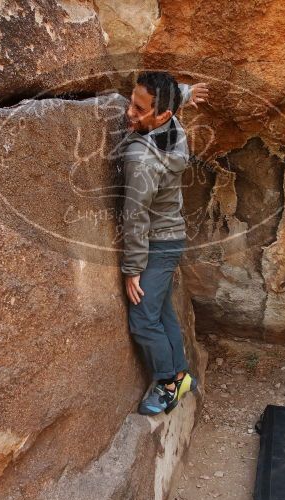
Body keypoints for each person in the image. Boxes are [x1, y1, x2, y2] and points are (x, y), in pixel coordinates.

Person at [119, 71, 209, 415]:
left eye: (139, 110)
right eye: (132, 102)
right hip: (171, 236)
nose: (130, 113)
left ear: (162, 117)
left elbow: (136, 217)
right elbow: (169, 100)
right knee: (161, 310)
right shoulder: (173, 126)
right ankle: (181, 373)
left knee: (143, 319)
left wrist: (133, 269)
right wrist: (185, 92)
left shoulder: (141, 160)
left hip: (158, 243)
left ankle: (168, 383)